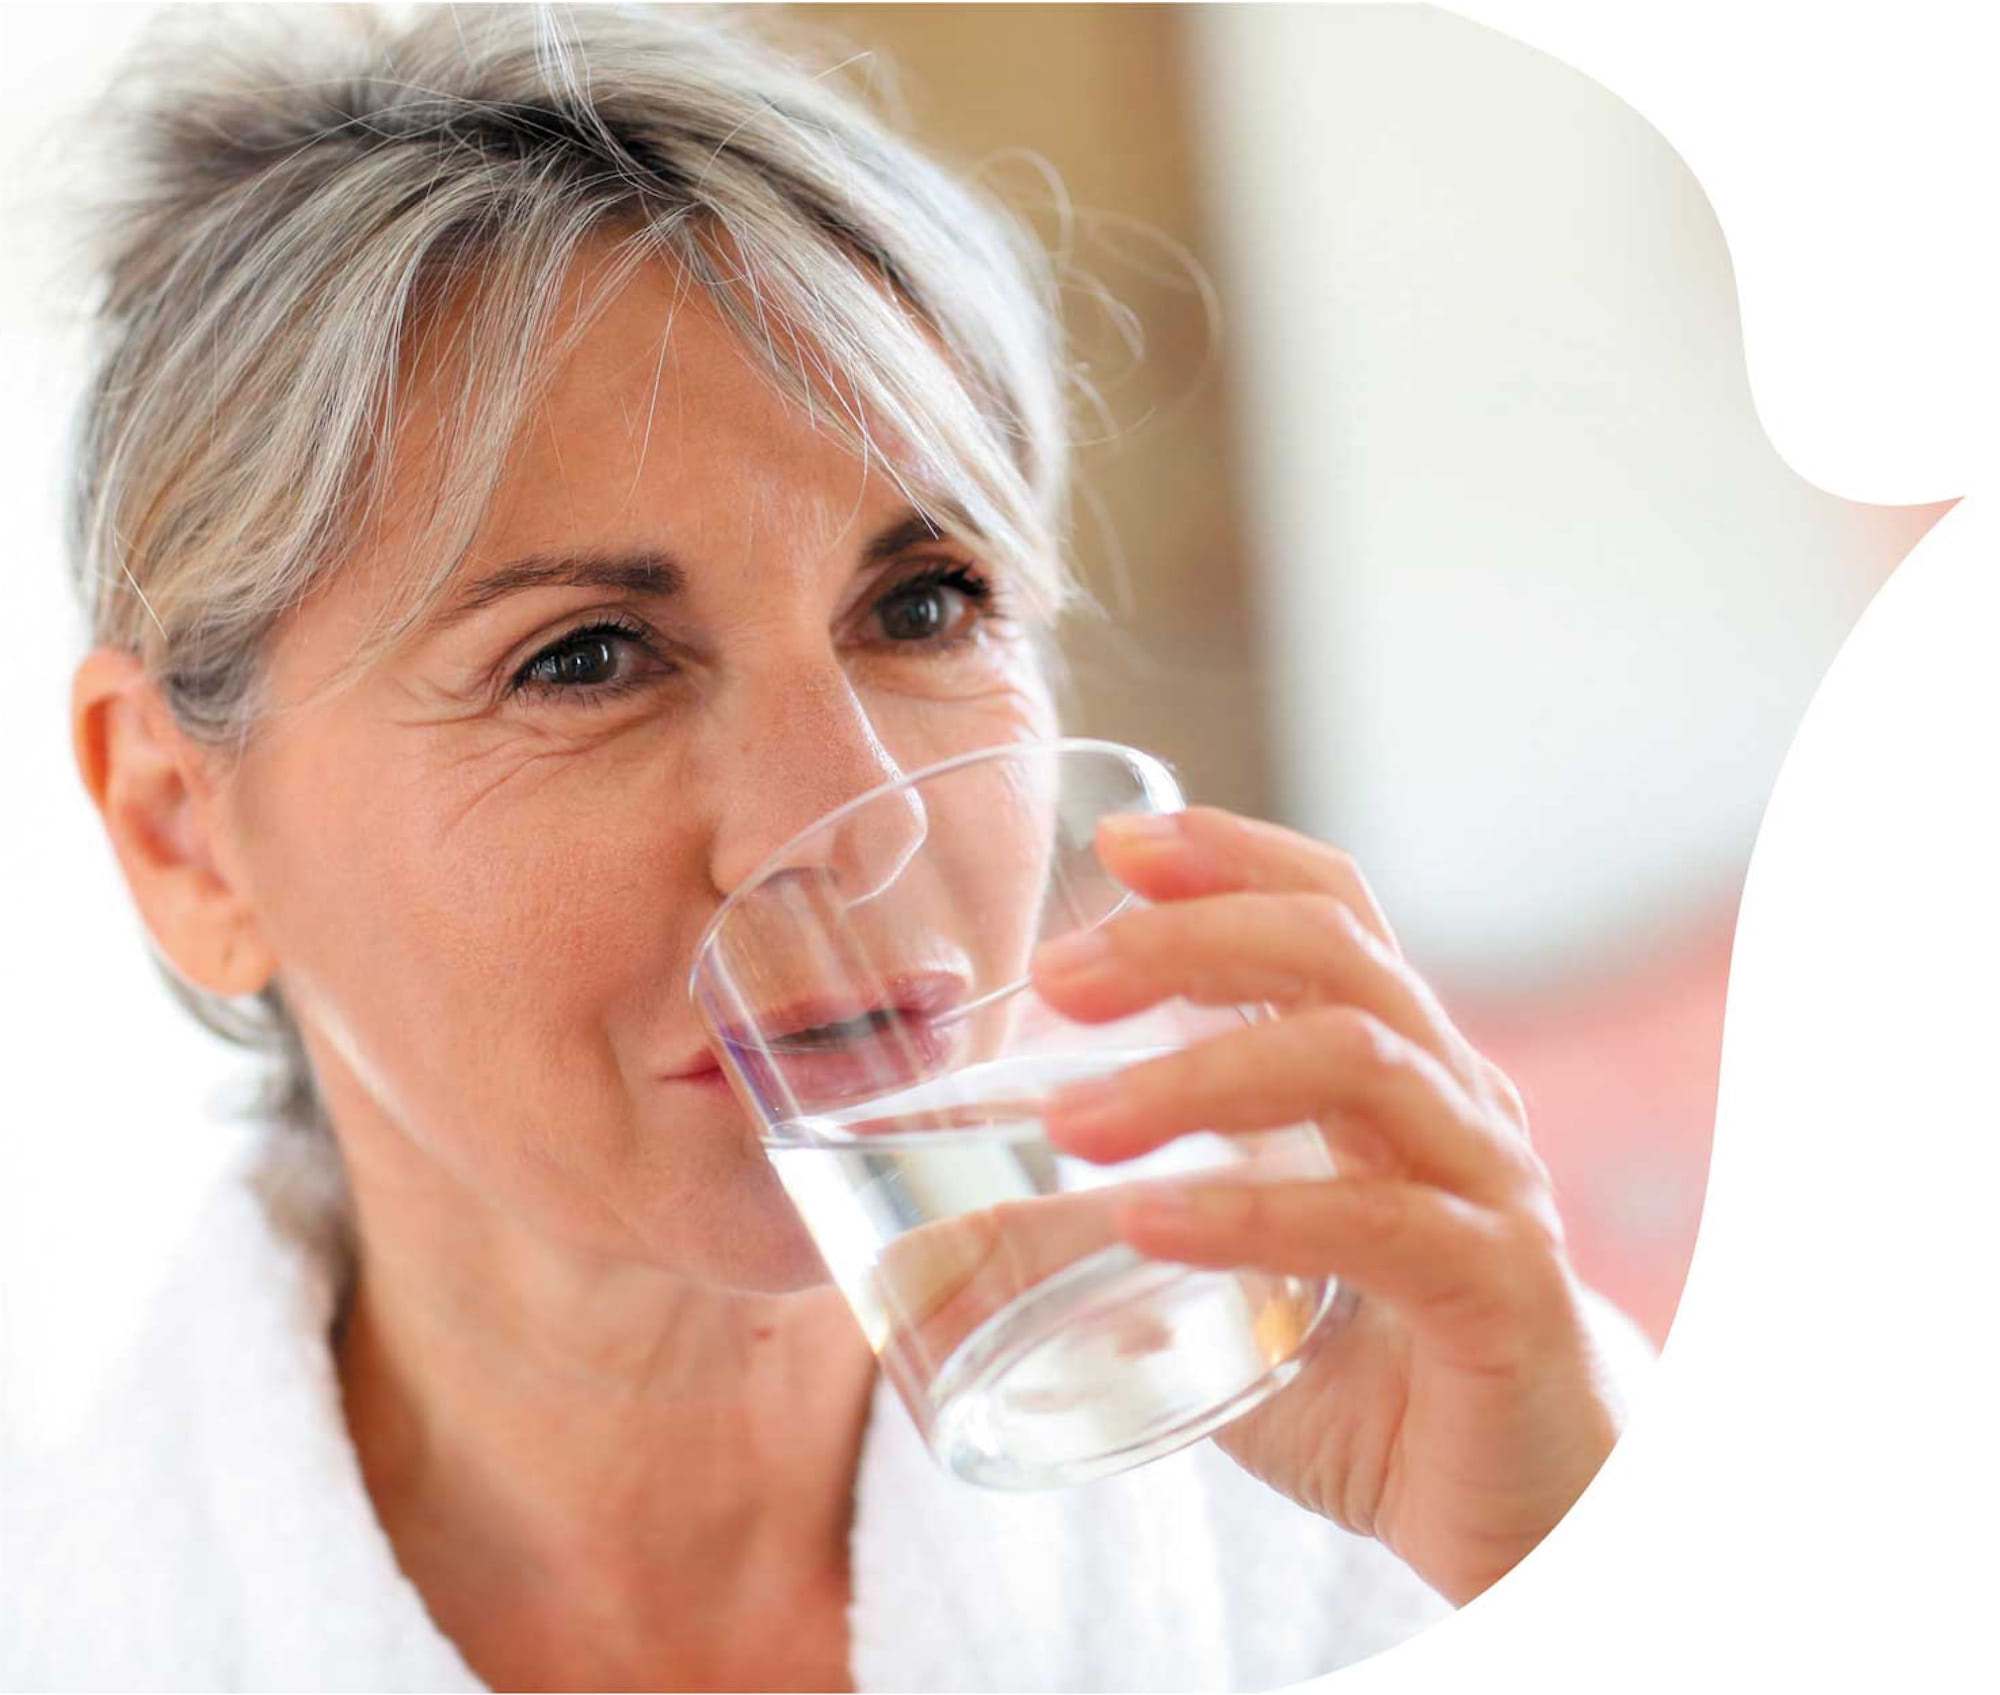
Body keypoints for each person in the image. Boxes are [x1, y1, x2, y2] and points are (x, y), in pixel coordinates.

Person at [5, 6, 1653, 1690]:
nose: (837, 829)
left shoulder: (1438, 1492)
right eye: (583, 657)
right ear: (181, 829)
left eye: (924, 604)